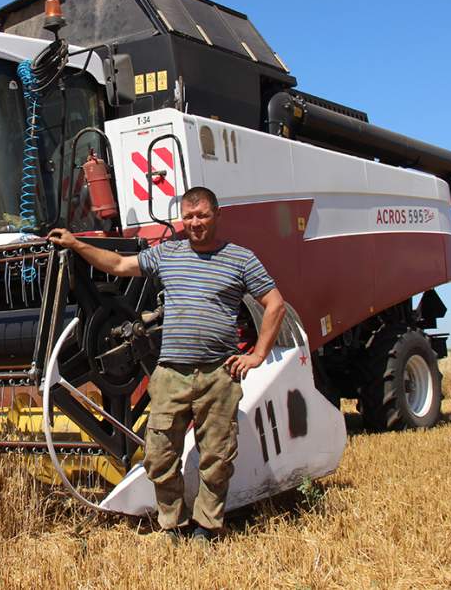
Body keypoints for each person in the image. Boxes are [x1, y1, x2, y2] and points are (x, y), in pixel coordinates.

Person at [47, 186, 285, 541]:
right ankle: (172, 523)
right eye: (188, 216)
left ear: (217, 216)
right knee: (158, 455)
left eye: (202, 215)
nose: (195, 223)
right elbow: (118, 264)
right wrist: (77, 243)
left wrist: (257, 354)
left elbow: (275, 304)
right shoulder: (167, 255)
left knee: (216, 459)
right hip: (171, 374)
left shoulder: (241, 259)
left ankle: (207, 526)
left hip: (218, 374)